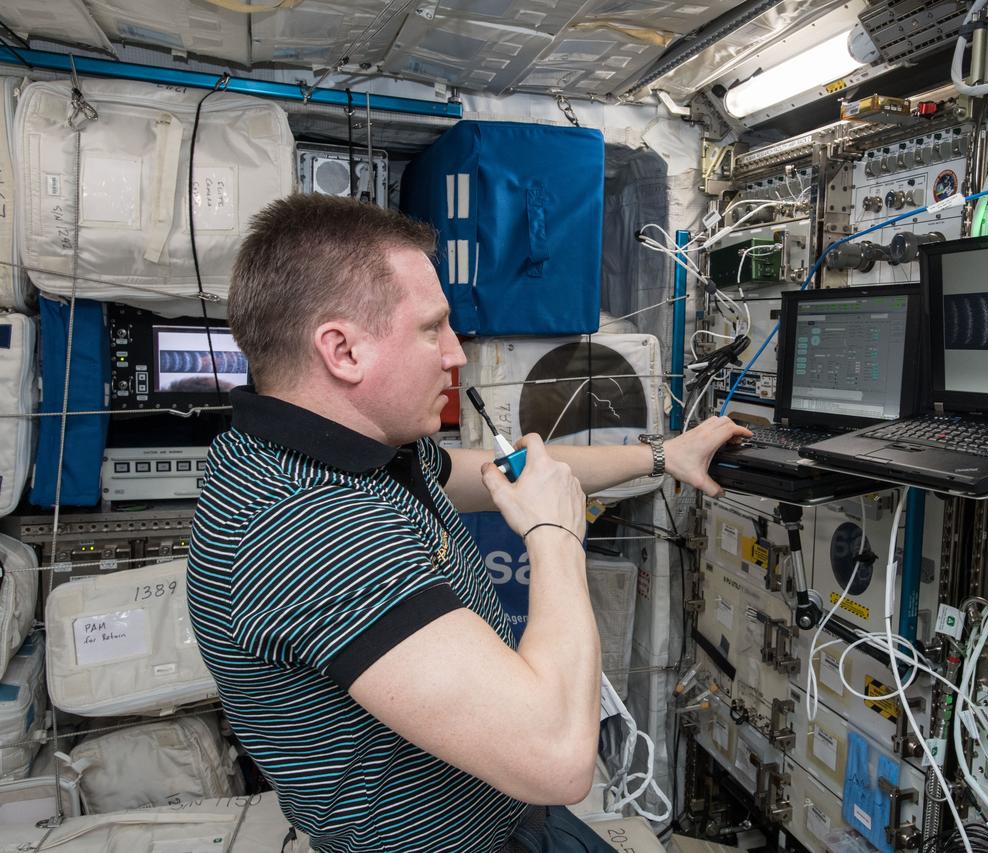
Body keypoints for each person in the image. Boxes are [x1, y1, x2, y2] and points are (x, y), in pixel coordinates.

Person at [186, 194, 749, 852]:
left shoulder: (339, 447)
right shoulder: (306, 529)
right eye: (432, 329)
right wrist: (556, 535)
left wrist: (661, 455)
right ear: (342, 349)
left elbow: (496, 469)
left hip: (506, 817)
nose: (455, 353)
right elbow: (560, 757)